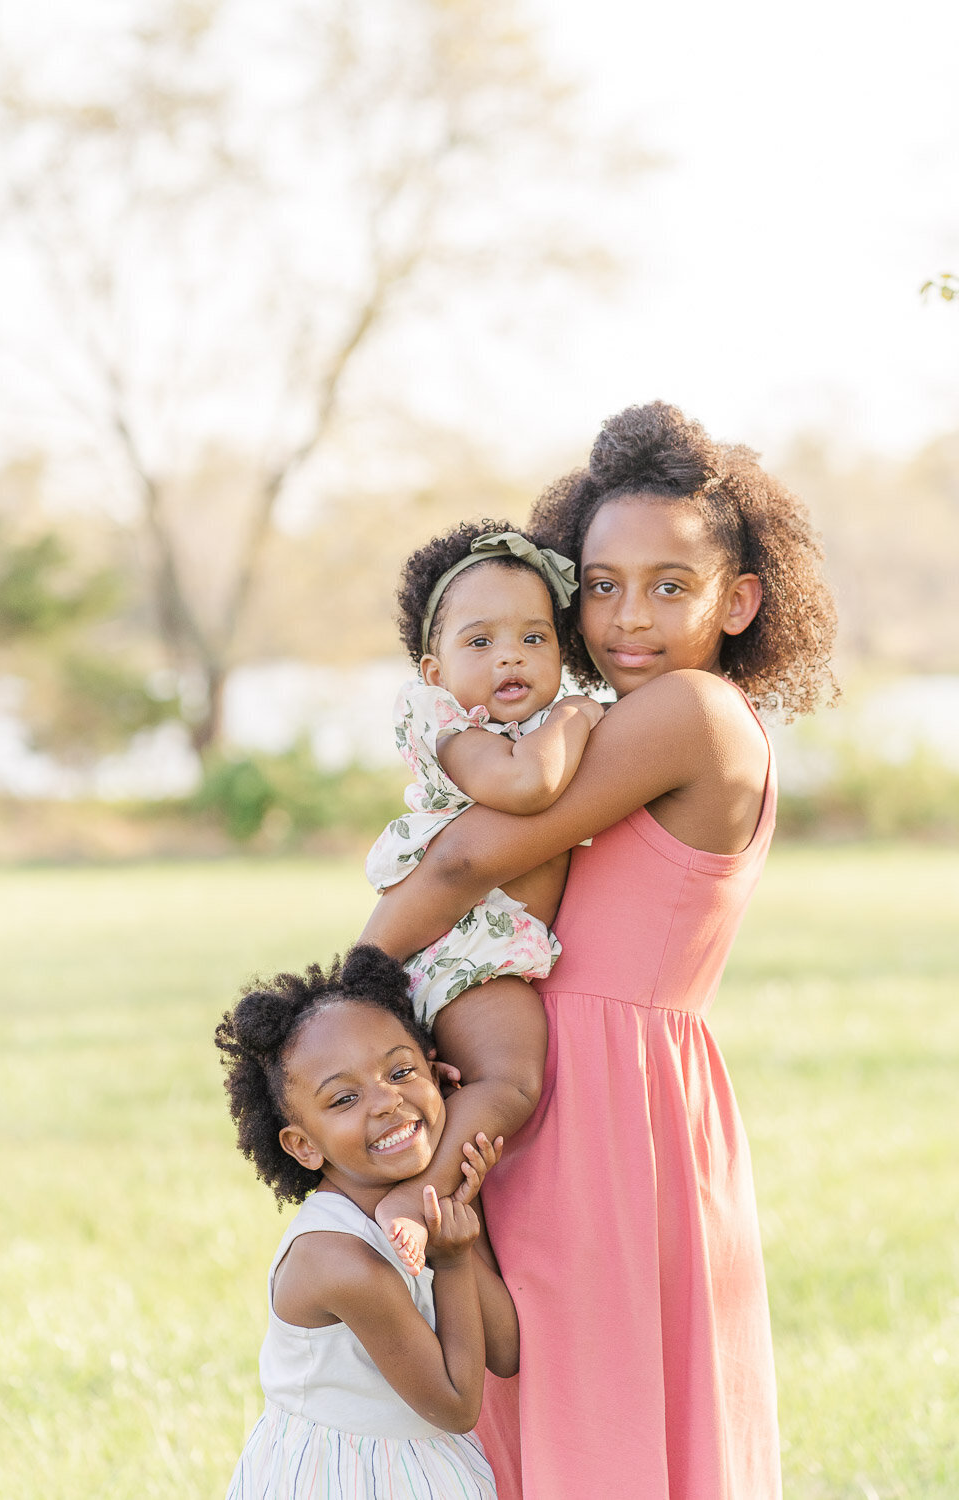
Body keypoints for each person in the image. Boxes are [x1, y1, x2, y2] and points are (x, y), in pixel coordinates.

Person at [360, 402, 838, 1500]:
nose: (628, 614)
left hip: (605, 1104)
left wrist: (336, 999)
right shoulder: (596, 718)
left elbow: (462, 861)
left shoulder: (692, 712)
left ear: (740, 599)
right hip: (555, 1073)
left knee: (590, 1400)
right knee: (531, 1384)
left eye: (672, 584)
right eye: (602, 582)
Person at [365, 521, 604, 1270]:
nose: (511, 655)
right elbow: (524, 786)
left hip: (479, 946)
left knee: (477, 1086)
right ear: (434, 671)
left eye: (536, 638)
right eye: (481, 642)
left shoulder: (528, 723)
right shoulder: (449, 724)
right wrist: (575, 713)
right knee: (510, 1081)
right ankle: (418, 1198)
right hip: (465, 944)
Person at [215, 945, 519, 1500]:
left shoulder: (423, 1205)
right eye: (345, 1098)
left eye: (402, 1072)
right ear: (303, 1145)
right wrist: (450, 1261)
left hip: (423, 1466)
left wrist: (453, 1208)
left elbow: (506, 1349)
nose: (386, 1101)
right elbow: (455, 1403)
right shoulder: (339, 1260)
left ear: (437, 1071)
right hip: (342, 1477)